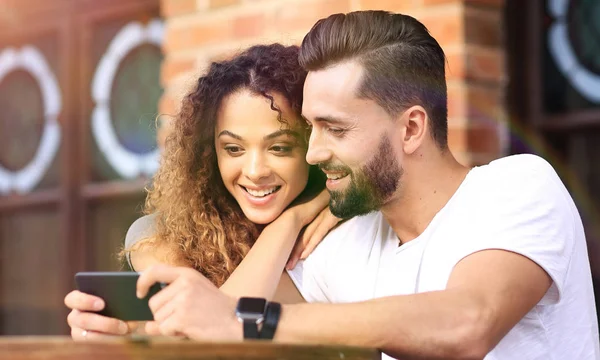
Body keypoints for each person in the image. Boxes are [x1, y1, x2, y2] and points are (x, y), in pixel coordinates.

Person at [135, 10, 600, 360]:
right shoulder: (355, 240)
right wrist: (128, 331)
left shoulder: (515, 187)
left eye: (335, 130)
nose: (314, 152)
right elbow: (227, 321)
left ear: (412, 129)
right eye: (311, 129)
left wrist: (257, 323)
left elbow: (468, 323)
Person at [64, 44, 340, 340]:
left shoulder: (337, 235)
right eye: (233, 149)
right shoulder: (160, 237)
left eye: (280, 147)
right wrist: (292, 220)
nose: (255, 170)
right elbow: (211, 335)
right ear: (209, 154)